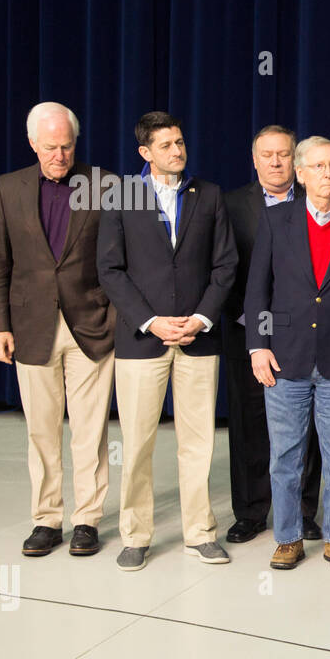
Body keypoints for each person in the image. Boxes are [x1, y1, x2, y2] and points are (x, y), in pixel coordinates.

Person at [97, 111, 237, 571]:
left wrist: (199, 318)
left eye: (180, 142)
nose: (177, 151)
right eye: (166, 145)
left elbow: (225, 267)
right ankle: (135, 536)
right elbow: (110, 270)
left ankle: (200, 533)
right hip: (143, 339)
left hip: (197, 338)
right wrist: (151, 321)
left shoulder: (209, 195)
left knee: (198, 441)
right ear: (145, 153)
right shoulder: (120, 196)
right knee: (137, 441)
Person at [0, 102, 117, 558]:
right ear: (32, 144)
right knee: (41, 431)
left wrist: (116, 315)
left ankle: (87, 520)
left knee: (90, 430)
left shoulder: (104, 185)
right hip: (30, 326)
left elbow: (120, 260)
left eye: (67, 146)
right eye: (50, 147)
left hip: (92, 324)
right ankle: (46, 519)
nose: (59, 155)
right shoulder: (7, 188)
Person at [246, 136, 330, 571]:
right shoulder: (274, 220)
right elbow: (258, 291)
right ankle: (287, 538)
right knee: (285, 457)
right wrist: (258, 347)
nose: (328, 174)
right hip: (285, 357)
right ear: (300, 174)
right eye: (319, 167)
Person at [222, 125, 323, 545]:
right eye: (268, 155)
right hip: (248, 331)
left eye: (284, 154)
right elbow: (222, 268)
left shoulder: (316, 201)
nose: (277, 162)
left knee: (308, 425)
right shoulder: (229, 205)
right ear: (255, 158)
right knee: (249, 422)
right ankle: (250, 511)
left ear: (295, 161)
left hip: (303, 332)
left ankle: (304, 509)